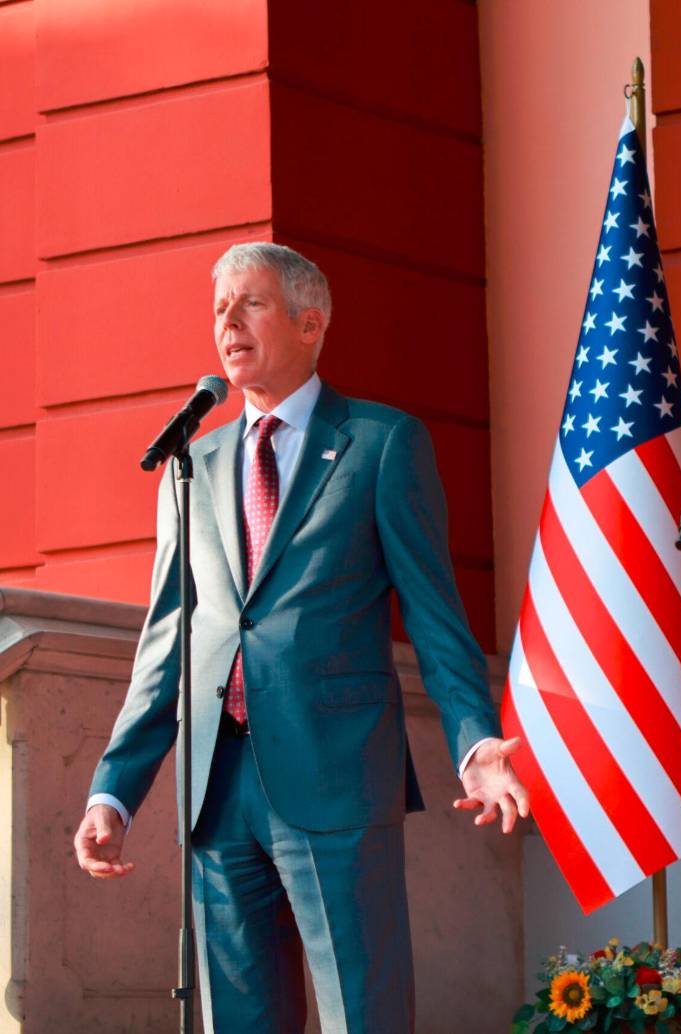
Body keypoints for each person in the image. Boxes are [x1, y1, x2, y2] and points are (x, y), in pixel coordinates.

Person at [72, 242, 529, 1034]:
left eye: (248, 303)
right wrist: (114, 789)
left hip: (337, 779)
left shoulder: (381, 443)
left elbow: (434, 613)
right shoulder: (195, 463)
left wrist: (475, 741)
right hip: (218, 789)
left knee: (364, 1016)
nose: (226, 321)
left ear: (310, 321)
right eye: (218, 308)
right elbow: (168, 642)